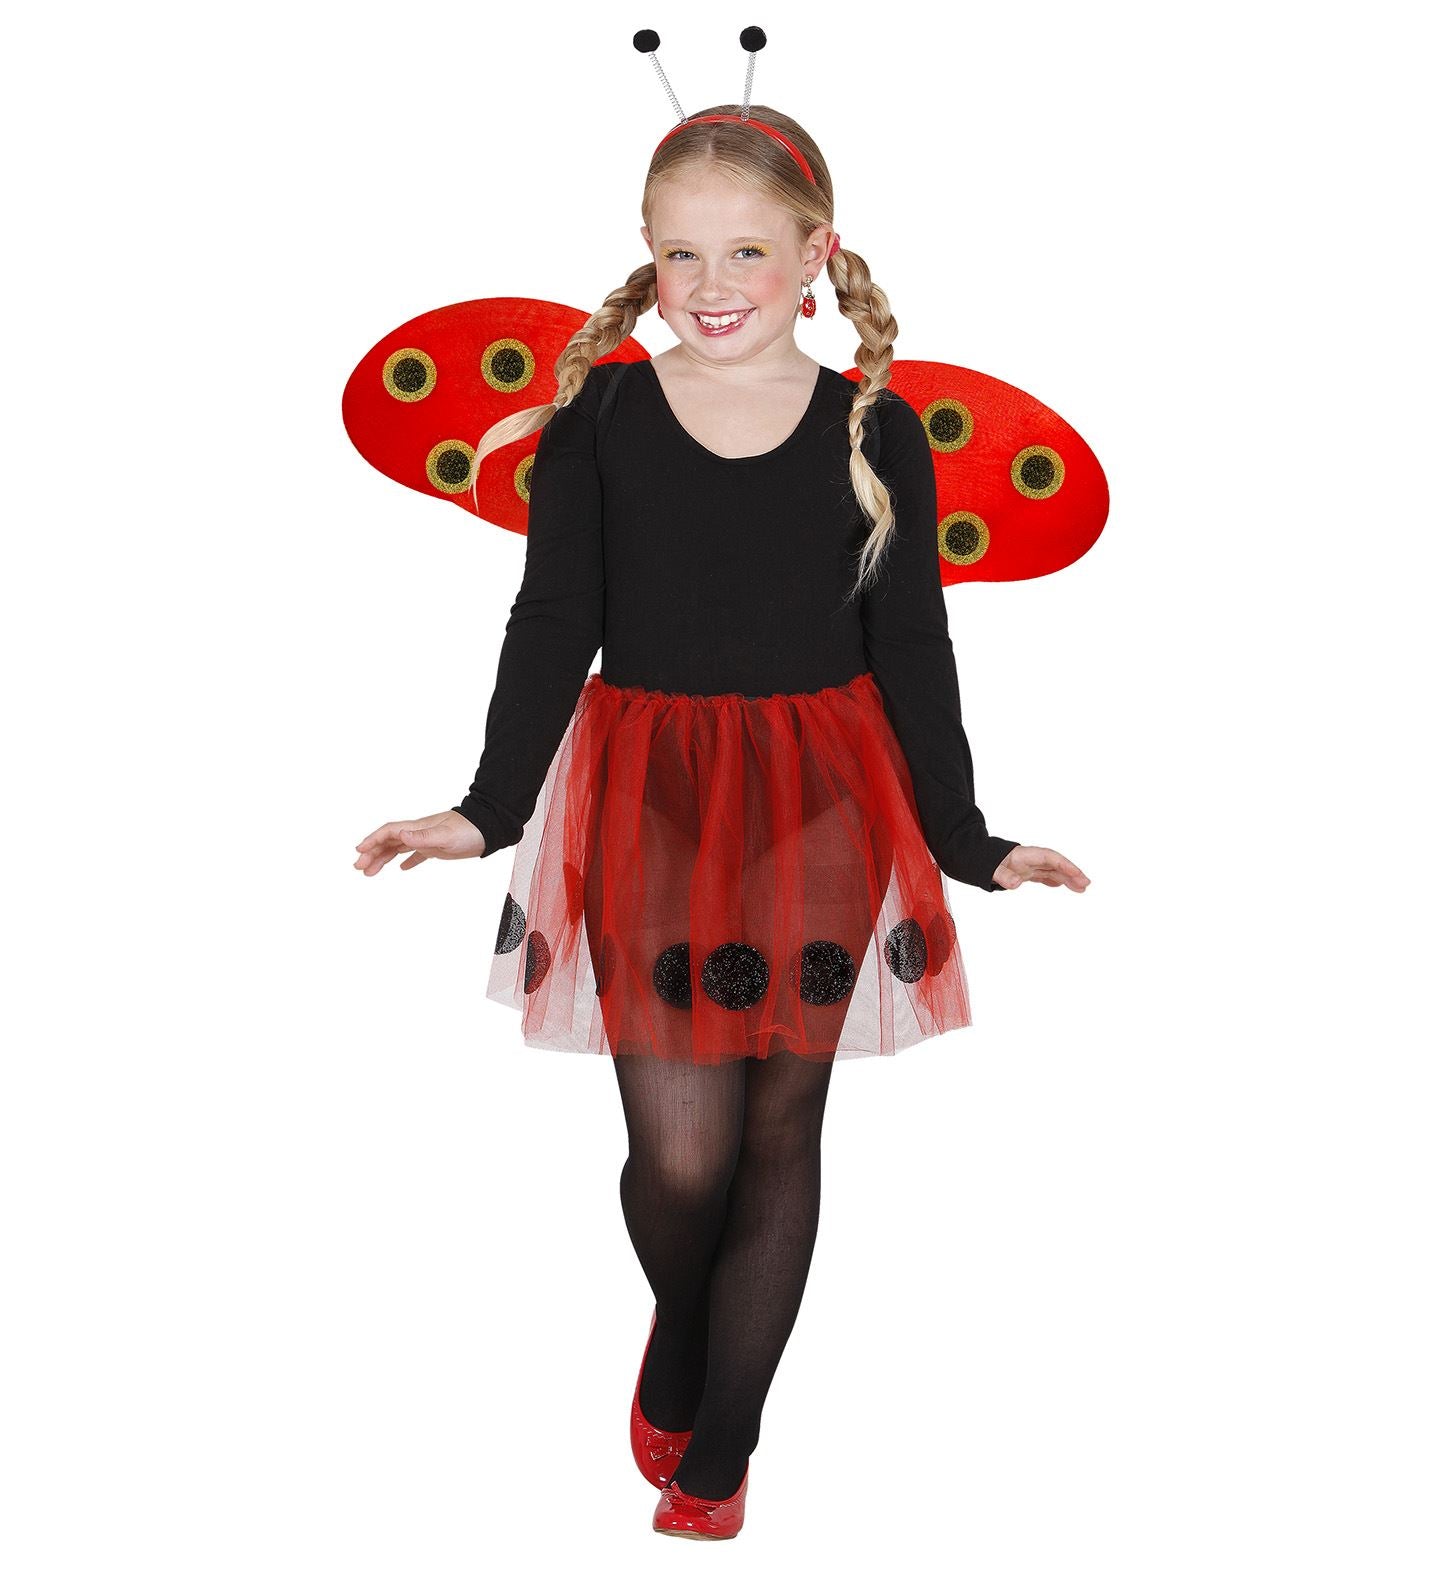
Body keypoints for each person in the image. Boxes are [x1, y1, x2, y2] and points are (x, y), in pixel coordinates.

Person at [355, 88, 1088, 1539]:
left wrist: (966, 839)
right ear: (647, 254)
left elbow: (915, 647)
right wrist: (485, 811)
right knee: (683, 1157)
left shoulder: (873, 427)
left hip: (826, 802)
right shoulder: (603, 416)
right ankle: (683, 1323)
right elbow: (551, 619)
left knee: (778, 1132)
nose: (712, 285)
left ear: (816, 255)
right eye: (682, 253)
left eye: (747, 251)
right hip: (650, 799)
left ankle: (726, 1439)